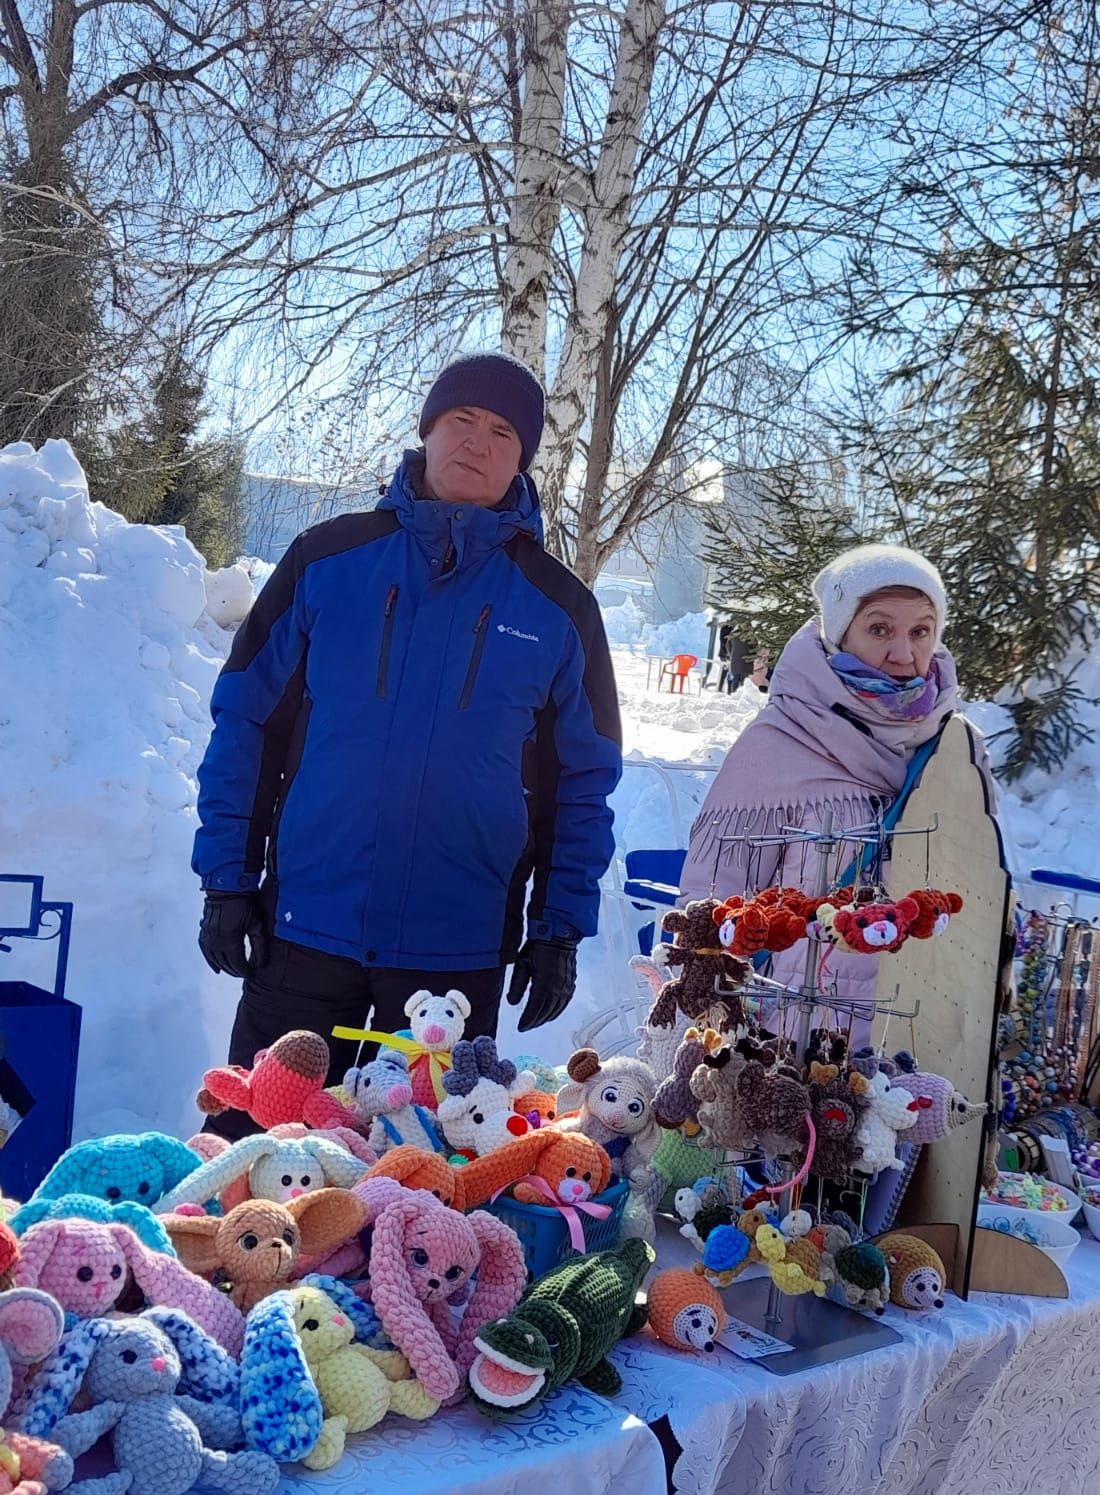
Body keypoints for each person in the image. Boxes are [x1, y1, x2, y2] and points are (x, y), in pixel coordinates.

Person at [193, 351, 622, 1139]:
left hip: (452, 964)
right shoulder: (327, 561)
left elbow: (584, 785)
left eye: (502, 431)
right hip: (306, 929)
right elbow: (248, 720)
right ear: (428, 428)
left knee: (418, 1177)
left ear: (522, 457)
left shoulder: (560, 608)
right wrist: (227, 877)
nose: (477, 442)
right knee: (253, 1155)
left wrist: (558, 928)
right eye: (462, 419)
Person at [679, 544, 991, 1002]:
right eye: (879, 628)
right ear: (840, 633)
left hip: (927, 1038)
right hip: (792, 1040)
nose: (903, 653)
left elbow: (979, 893)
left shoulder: (957, 749)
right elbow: (713, 903)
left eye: (921, 631)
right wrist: (708, 1028)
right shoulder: (779, 743)